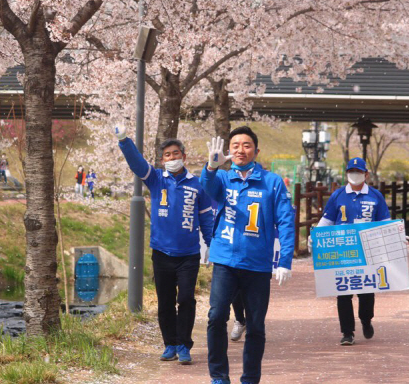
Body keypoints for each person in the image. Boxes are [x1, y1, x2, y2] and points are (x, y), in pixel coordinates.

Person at [202, 127, 295, 384]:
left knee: (255, 325)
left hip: (257, 264)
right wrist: (210, 167)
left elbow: (286, 222)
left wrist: (284, 261)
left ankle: (250, 378)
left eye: (246, 145)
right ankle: (219, 376)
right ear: (228, 151)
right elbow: (207, 187)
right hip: (225, 260)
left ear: (256, 150)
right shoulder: (222, 179)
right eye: (235, 145)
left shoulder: (272, 182)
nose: (240, 150)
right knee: (216, 316)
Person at [114, 124, 214, 365]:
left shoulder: (197, 184)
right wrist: (124, 140)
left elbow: (207, 218)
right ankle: (170, 343)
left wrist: (211, 245)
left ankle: (184, 344)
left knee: (187, 299)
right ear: (162, 159)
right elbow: (137, 164)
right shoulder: (157, 179)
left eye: (175, 154)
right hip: (161, 253)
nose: (172, 158)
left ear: (184, 156)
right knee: (165, 300)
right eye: (167, 155)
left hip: (189, 255)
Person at [315, 157, 390, 345]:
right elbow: (328, 219)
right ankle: (347, 332)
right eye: (351, 171)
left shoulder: (375, 196)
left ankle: (366, 319)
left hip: (367, 250)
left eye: (358, 171)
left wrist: (395, 236)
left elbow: (384, 222)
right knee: (343, 291)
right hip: (343, 249)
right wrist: (315, 235)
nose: (354, 175)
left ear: (366, 174)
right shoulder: (338, 195)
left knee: (366, 291)